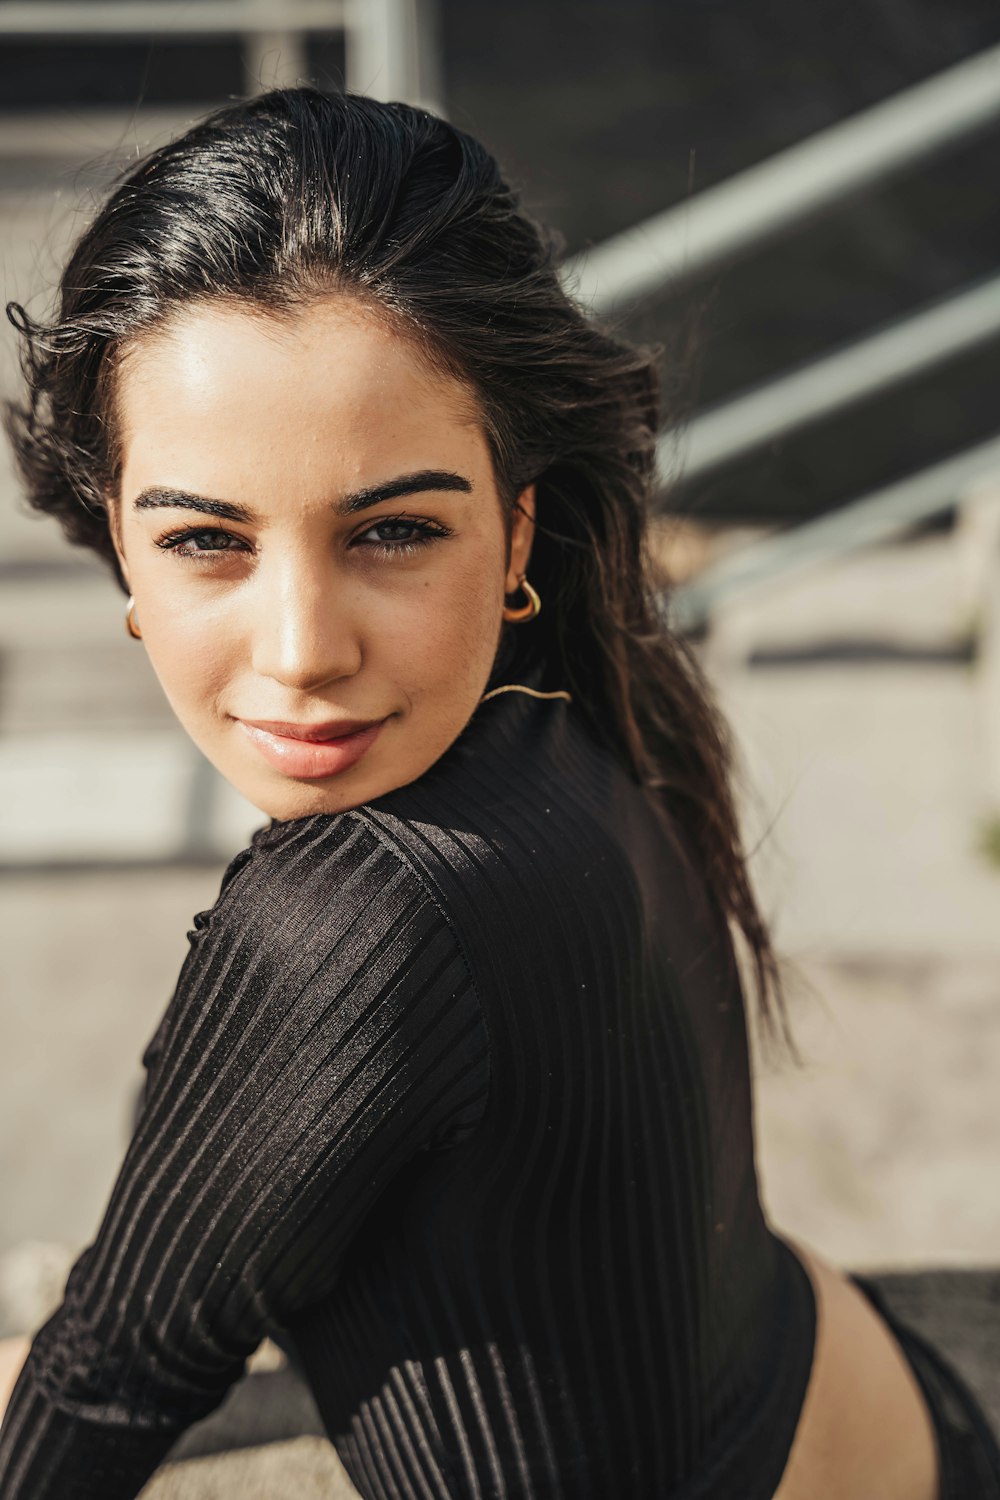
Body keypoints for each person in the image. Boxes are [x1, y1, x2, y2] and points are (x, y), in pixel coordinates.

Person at [0, 87, 994, 1500]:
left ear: (516, 518)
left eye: (394, 531)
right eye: (207, 540)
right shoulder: (579, 691)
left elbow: (116, 1364)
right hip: (876, 1399)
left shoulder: (348, 921)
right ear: (119, 540)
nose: (303, 651)